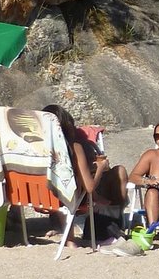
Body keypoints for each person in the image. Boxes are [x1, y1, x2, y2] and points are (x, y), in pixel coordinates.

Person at [43, 105, 128, 244]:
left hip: (42, 196)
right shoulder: (74, 147)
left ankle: (69, 238)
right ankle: (109, 227)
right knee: (114, 175)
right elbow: (89, 187)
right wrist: (101, 167)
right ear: (67, 126)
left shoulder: (35, 148)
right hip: (71, 198)